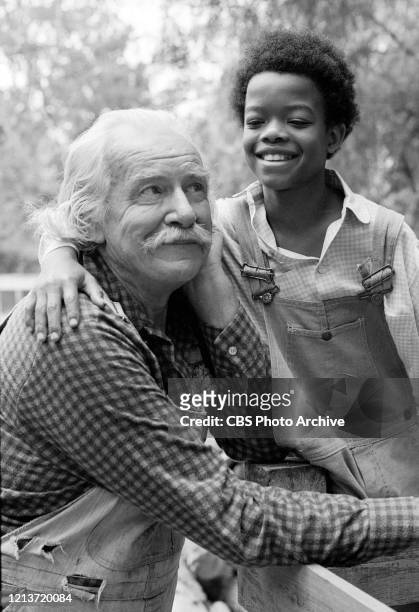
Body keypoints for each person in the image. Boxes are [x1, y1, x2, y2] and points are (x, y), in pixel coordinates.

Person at [4, 108, 418, 612]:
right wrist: (411, 517)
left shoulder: (175, 295)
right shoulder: (76, 333)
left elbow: (253, 433)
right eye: (151, 190)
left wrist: (217, 296)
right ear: (91, 219)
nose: (184, 210)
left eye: (196, 188)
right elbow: (232, 518)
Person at [34, 29, 419, 501]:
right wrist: (58, 257)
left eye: (297, 120)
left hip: (392, 475)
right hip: (279, 478)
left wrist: (294, 407)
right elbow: (86, 220)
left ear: (333, 134)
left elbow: (407, 386)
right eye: (256, 121)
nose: (273, 132)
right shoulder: (217, 227)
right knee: (193, 404)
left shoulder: (385, 236)